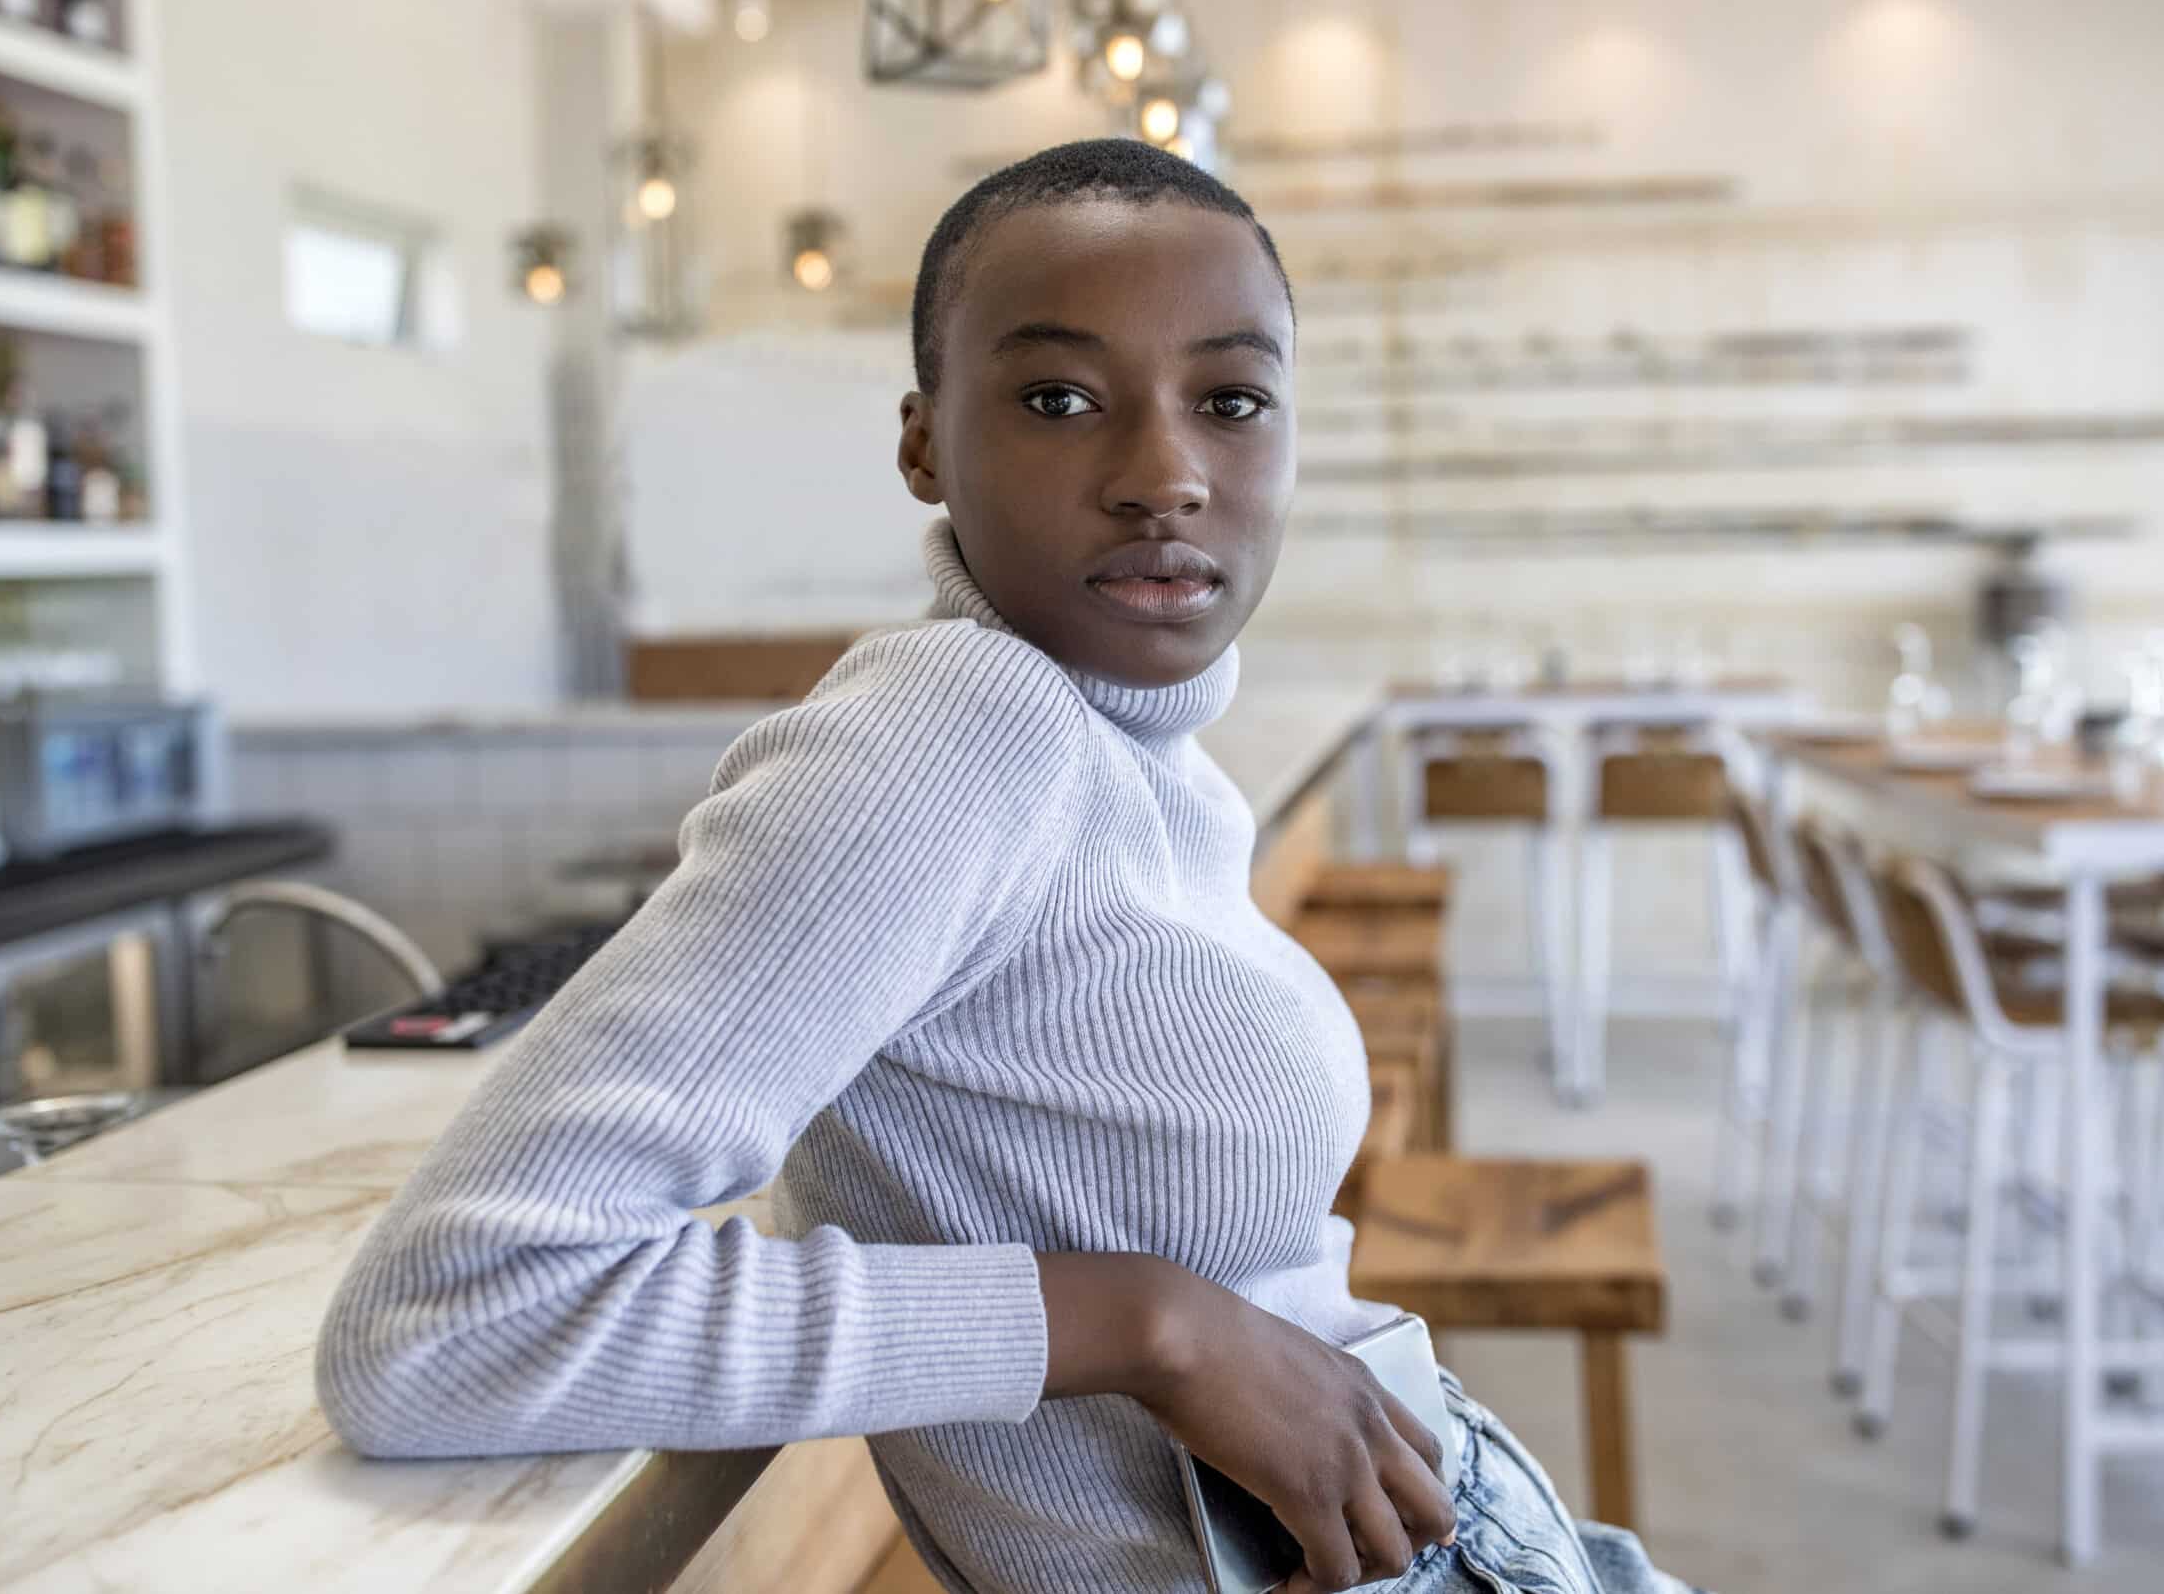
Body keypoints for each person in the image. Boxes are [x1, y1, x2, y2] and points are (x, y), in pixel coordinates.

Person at [317, 139, 1696, 1594]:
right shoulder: (954, 729)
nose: (1164, 474)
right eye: (1058, 399)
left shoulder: (1130, 749)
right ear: (923, 443)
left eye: (1232, 401)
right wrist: (1154, 1328)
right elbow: (446, 1324)